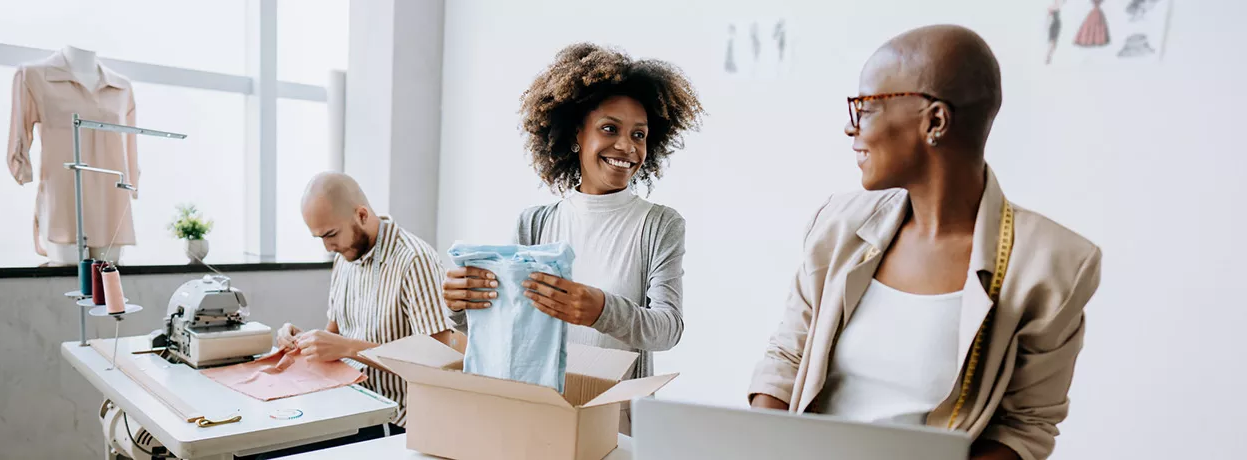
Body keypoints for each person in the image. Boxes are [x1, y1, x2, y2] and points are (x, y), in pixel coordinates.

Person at [747, 25, 1102, 460]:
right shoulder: (836, 224)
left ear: (935, 120)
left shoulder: (1052, 265)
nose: (849, 126)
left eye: (865, 106)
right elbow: (784, 360)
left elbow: (1024, 427)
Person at [441, 43, 704, 434]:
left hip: (614, 422)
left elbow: (667, 328)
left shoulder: (659, 225)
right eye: (609, 129)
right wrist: (461, 306)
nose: (627, 147)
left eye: (639, 134)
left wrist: (600, 309)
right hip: (538, 411)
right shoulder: (534, 224)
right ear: (576, 134)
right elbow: (506, 326)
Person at [270, 172, 454, 451]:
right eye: (319, 237)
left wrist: (348, 348)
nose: (328, 247)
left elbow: (439, 361)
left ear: (362, 215)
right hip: (349, 400)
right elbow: (335, 334)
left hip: (396, 421)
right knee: (265, 443)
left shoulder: (414, 261)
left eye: (331, 234)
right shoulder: (345, 257)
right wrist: (306, 341)